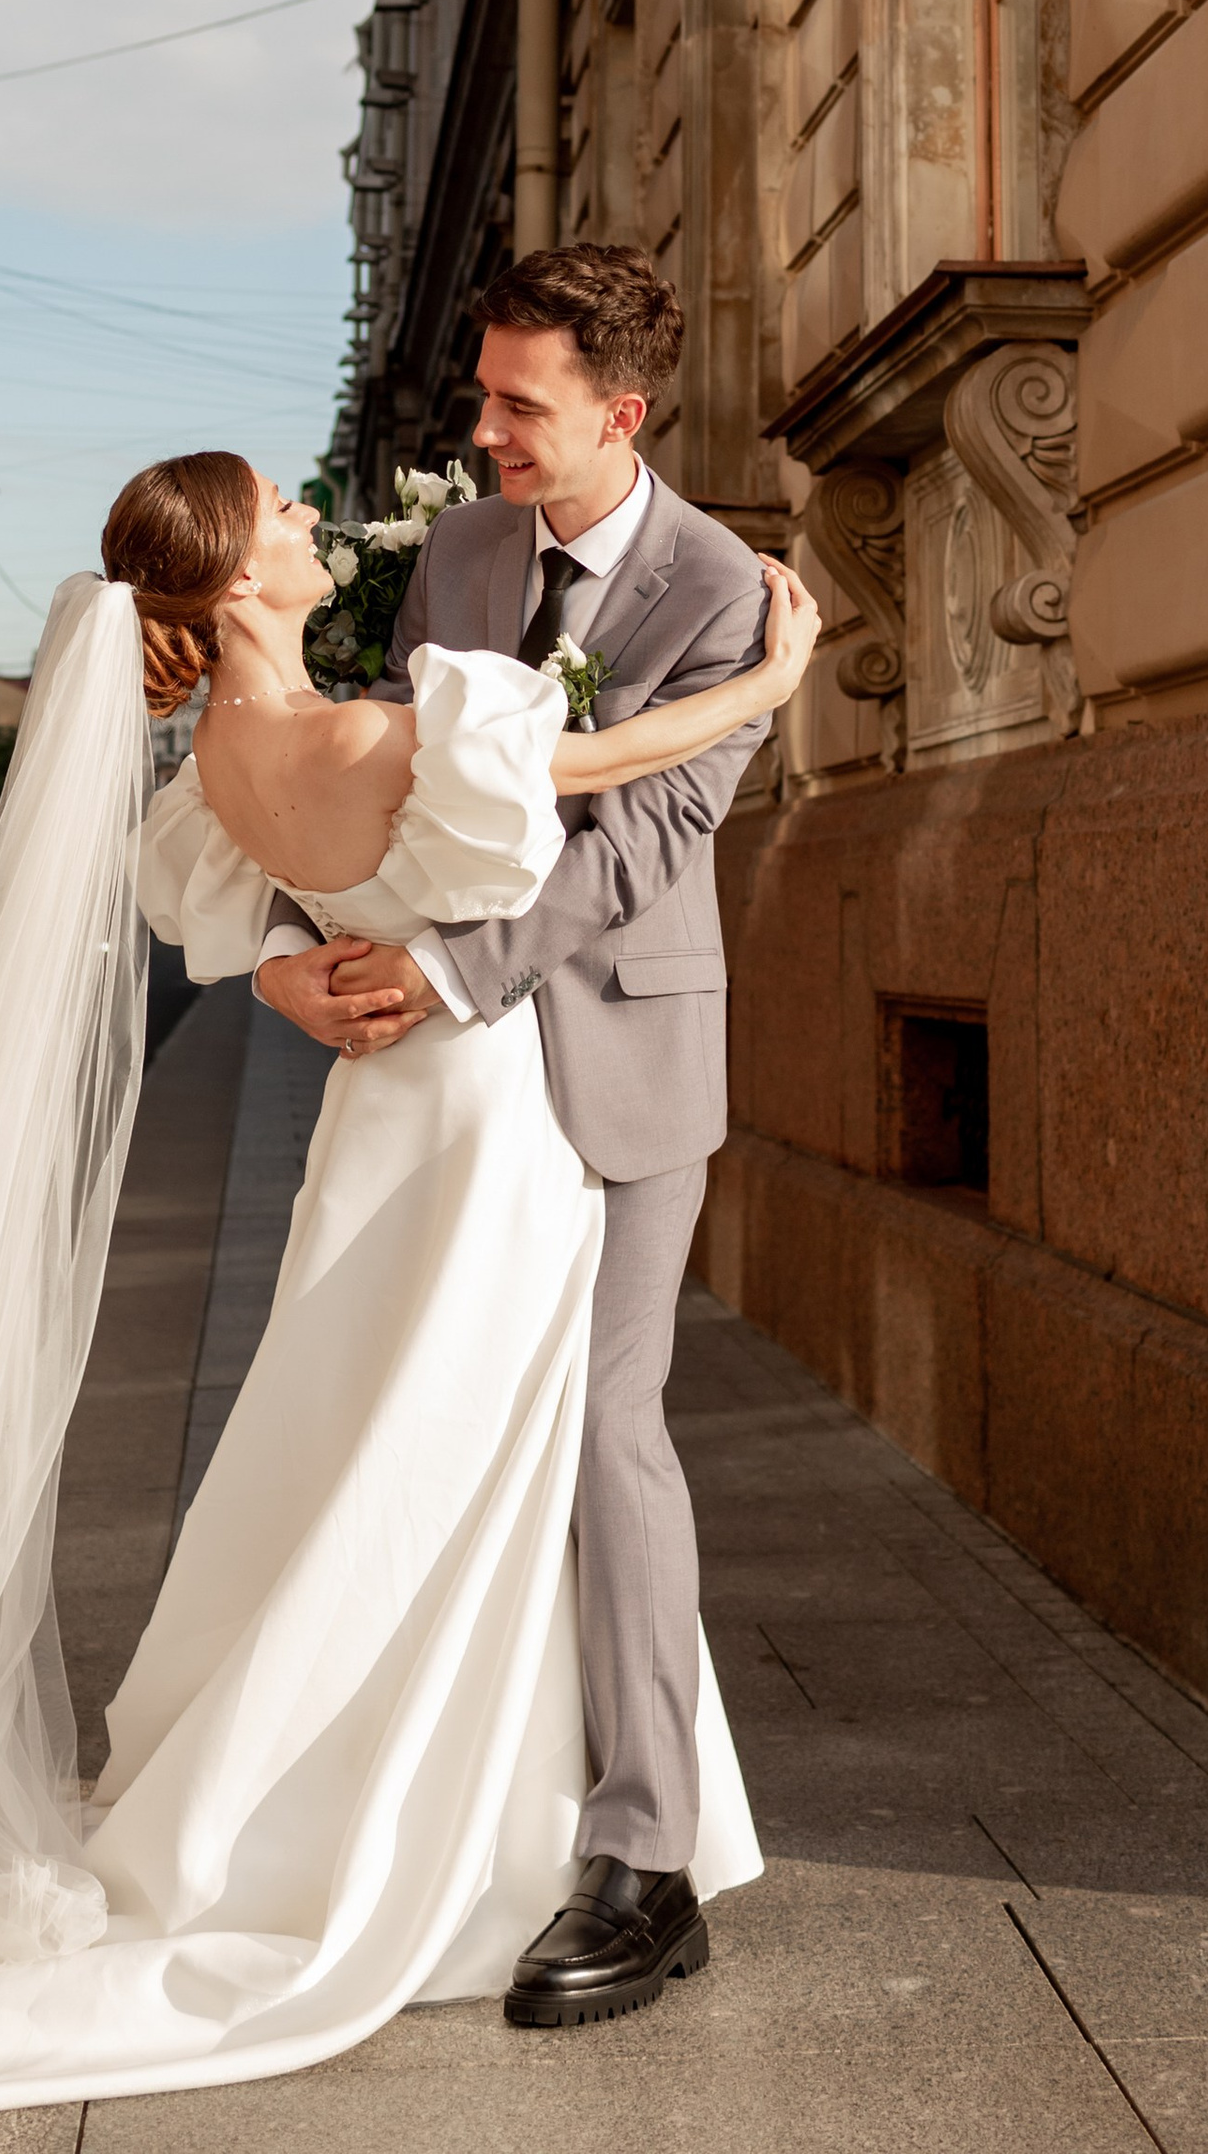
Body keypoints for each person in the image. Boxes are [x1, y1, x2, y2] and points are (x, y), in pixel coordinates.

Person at [0, 423, 816, 2121]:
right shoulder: (390, 727)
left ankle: (439, 1793)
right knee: (469, 1452)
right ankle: (473, 1820)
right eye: (284, 512)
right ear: (243, 576)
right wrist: (772, 680)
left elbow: (244, 914)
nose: (318, 515)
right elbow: (607, 769)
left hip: (372, 1124)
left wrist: (287, 969)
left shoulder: (224, 767)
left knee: (353, 1437)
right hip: (484, 1116)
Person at [256, 242, 779, 2027]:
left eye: (517, 404)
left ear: (620, 413)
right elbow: (384, 781)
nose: (483, 432)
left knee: (608, 1426)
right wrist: (302, 955)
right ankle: (426, 1814)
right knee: (429, 1415)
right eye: (483, 396)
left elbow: (651, 839)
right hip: (444, 1081)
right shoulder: (467, 553)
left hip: (618, 1053)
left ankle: (646, 1862)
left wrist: (448, 973)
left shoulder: (726, 592)